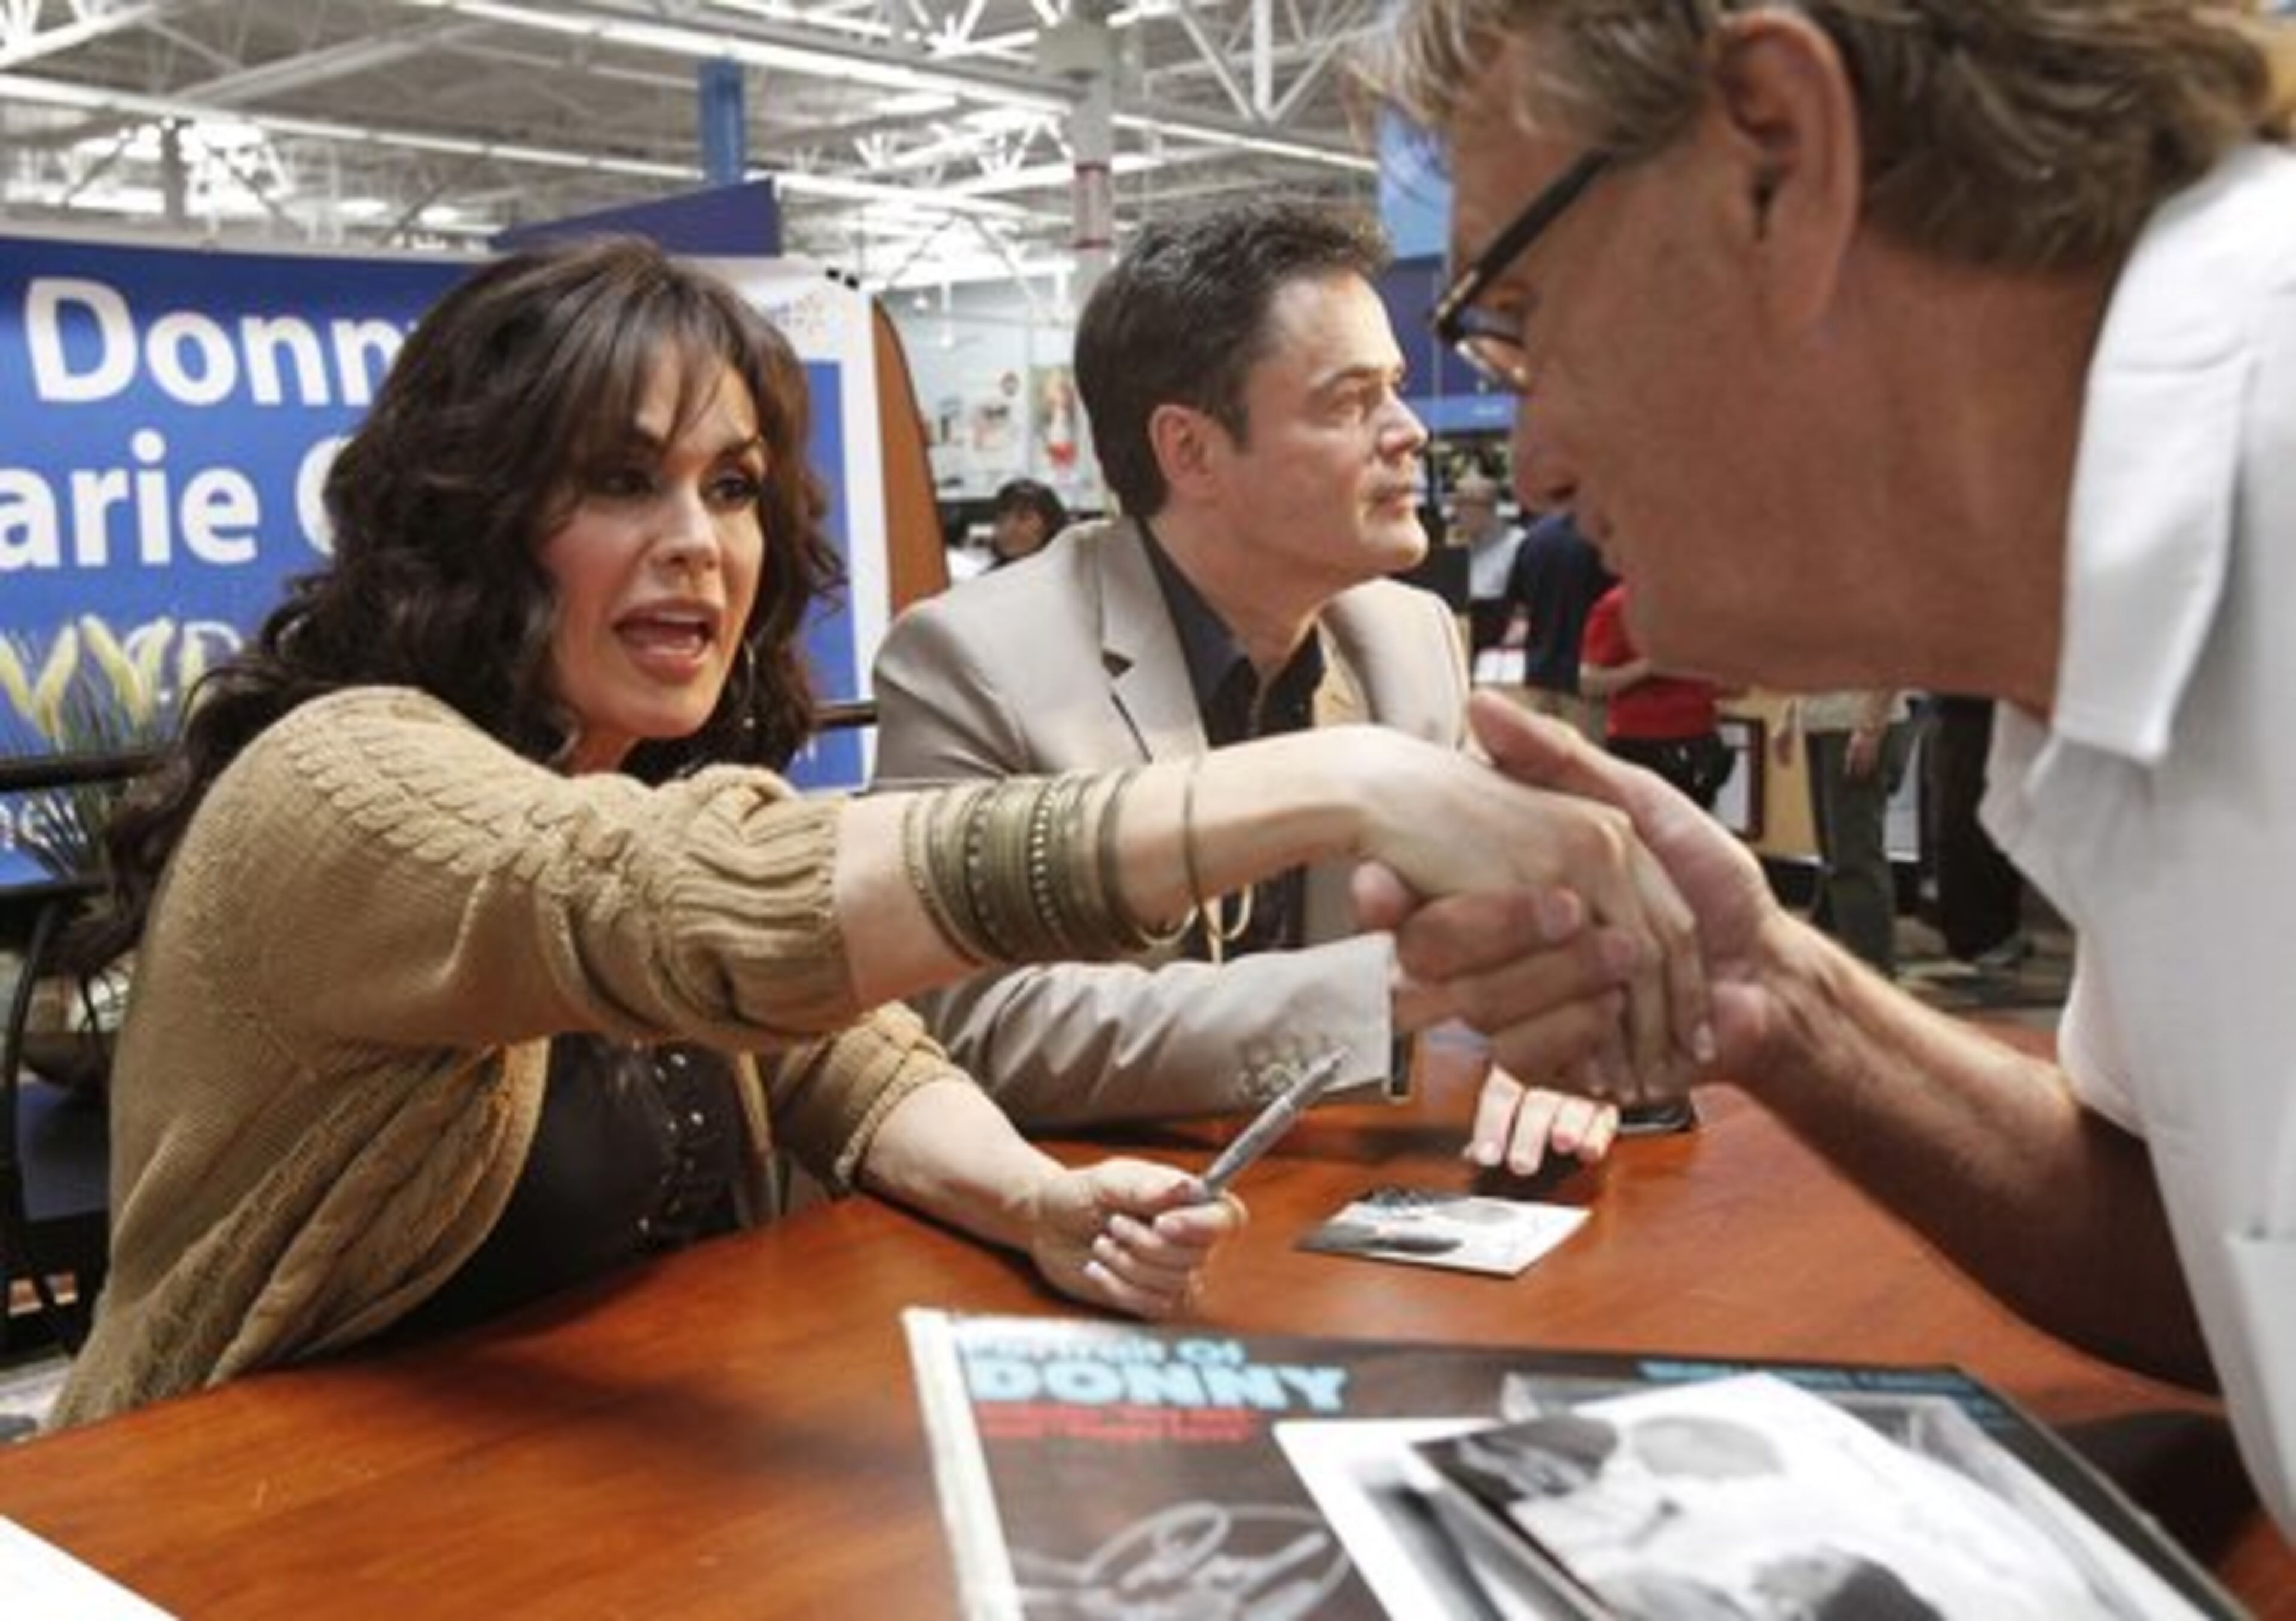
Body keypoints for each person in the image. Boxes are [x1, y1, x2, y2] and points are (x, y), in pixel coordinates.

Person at [50, 236, 1703, 1427]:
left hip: (572, 1476)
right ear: (472, 516)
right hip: (220, 1526)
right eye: (622, 481)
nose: (700, 543)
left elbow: (849, 1055)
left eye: (734, 487)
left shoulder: (631, 773)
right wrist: (1334, 784)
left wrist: (1033, 1202)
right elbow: (688, 910)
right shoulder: (345, 779)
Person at [1369, 0, 2296, 1533]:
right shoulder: (2124, 616)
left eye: (1521, 315)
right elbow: (2219, 1258)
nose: (1530, 463)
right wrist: (1777, 995)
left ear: (1778, 155)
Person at [874, 199, 1620, 1172]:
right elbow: (968, 1025)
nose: (1408, 432)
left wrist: (1551, 1040)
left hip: (1333, 1191)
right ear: (1191, 451)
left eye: (1396, 390)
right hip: (1084, 1210)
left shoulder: (1406, 638)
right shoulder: (976, 658)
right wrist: (1390, 987)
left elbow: (1519, 924)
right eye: (1349, 401)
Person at [1773, 690, 1916, 975]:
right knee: (1834, 855)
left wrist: (1870, 728)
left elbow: (1891, 667)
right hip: (1823, 724)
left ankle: (1873, 972)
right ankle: (1840, 966)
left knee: (1854, 858)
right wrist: (1790, 714)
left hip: (1855, 723)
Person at [1577, 581, 1734, 813]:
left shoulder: (1704, 602)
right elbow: (1589, 683)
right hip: (1641, 742)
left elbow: (1734, 688)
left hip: (1701, 740)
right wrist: (1648, 667)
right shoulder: (1619, 605)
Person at [1500, 506, 1614, 741]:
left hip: (1538, 673)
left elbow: (1518, 606)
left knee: (1542, 757)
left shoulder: (1534, 537)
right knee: (1585, 759)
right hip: (1586, 679)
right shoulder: (1601, 538)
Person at [1450, 469, 1525, 658]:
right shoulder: (1460, 543)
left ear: (1484, 507)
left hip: (1501, 635)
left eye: (1461, 506)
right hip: (1465, 631)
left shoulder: (1518, 543)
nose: (1456, 514)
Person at [987, 477, 1068, 568]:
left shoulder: (1067, 572)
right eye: (1002, 519)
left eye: (1024, 517)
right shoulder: (992, 574)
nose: (1009, 528)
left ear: (1050, 525)